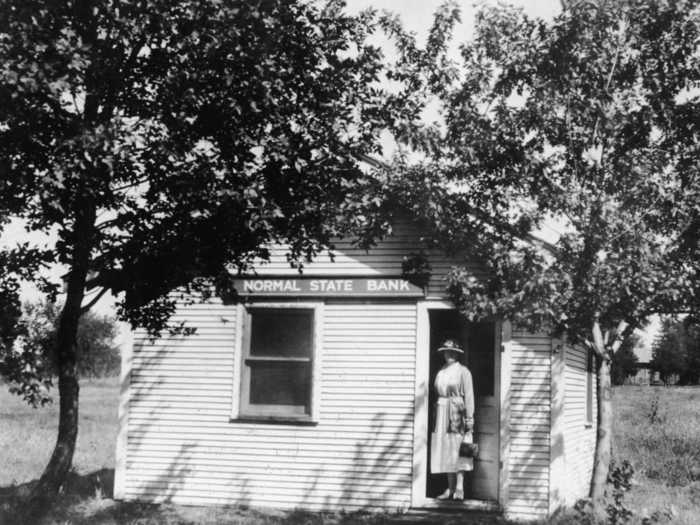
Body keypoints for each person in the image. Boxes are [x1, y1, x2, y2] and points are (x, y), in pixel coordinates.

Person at [430, 338, 475, 500]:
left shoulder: (463, 371)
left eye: (452, 352)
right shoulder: (441, 371)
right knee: (445, 448)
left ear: (457, 354)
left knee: (459, 447)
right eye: (446, 352)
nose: (449, 354)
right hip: (442, 411)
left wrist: (469, 418)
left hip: (457, 411)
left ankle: (459, 488)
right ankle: (449, 488)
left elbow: (469, 396)